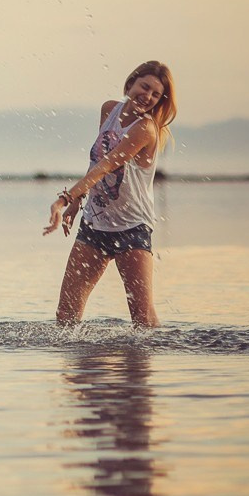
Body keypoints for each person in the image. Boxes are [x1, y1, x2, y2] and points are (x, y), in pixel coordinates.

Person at [43, 61, 177, 327]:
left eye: (155, 94)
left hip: (132, 228)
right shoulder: (109, 110)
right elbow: (97, 159)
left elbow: (107, 165)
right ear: (130, 83)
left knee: (143, 320)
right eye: (144, 87)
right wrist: (77, 201)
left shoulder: (145, 129)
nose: (147, 96)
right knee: (66, 316)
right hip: (95, 224)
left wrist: (63, 199)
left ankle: (158, 352)